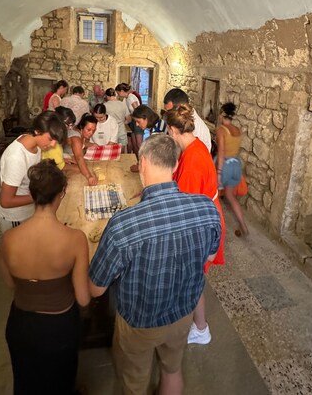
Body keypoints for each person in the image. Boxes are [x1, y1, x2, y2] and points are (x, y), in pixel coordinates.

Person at [89, 135, 222, 395]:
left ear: (144, 162)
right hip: (183, 313)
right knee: (172, 370)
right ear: (175, 166)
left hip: (140, 321)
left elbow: (95, 290)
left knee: (134, 381)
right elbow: (207, 258)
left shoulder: (123, 223)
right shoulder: (207, 208)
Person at [0, 159, 90, 395]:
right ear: (62, 193)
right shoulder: (75, 238)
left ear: (31, 193)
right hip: (59, 325)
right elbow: (83, 298)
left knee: (27, 381)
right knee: (61, 381)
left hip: (21, 324)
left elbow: (10, 284)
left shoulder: (9, 239)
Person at [165, 103, 226, 345]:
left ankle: (200, 328)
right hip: (206, 216)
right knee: (195, 278)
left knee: (193, 277)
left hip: (201, 225)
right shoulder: (196, 145)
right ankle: (200, 327)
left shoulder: (192, 160)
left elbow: (185, 209)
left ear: (172, 129)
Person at [0, 111, 66, 233]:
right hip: (16, 216)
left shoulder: (35, 145)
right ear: (37, 131)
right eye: (50, 139)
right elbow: (6, 201)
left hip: (29, 210)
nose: (53, 144)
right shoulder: (16, 157)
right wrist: (44, 196)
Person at [217, 102, 249, 236]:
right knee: (230, 196)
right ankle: (243, 226)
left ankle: (216, 229)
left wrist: (218, 173)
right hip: (236, 165)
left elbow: (222, 152)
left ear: (222, 114)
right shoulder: (237, 130)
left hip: (225, 166)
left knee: (214, 197)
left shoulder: (221, 130)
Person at [163, 88, 212, 153]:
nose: (167, 114)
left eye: (169, 111)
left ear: (180, 108)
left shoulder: (193, 127)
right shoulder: (182, 120)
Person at [42, 106, 76, 171]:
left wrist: (62, 160)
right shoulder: (53, 140)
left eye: (71, 125)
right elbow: (59, 167)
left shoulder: (52, 134)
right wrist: (78, 168)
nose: (70, 128)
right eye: (68, 124)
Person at [69, 113, 98, 186]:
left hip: (72, 160)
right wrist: (89, 177)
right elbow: (79, 157)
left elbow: (82, 145)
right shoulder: (75, 137)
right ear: (82, 127)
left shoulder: (81, 132)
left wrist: (92, 145)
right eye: (89, 130)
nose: (91, 133)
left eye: (93, 130)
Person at [115, 83, 143, 155]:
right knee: (134, 142)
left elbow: (138, 110)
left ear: (121, 91)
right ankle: (135, 159)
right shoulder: (126, 99)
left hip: (138, 120)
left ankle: (142, 159)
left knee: (138, 144)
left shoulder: (131, 97)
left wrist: (131, 118)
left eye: (118, 93)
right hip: (134, 120)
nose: (118, 95)